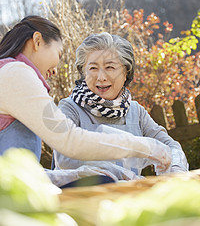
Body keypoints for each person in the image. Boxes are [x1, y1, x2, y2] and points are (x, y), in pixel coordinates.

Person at [0, 16, 173, 187]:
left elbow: (18, 174)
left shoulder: (9, 73)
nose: (55, 70)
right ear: (37, 41)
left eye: (110, 67)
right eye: (59, 53)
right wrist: (146, 147)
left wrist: (77, 175)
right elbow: (70, 140)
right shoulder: (15, 73)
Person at [53, 32, 188, 182]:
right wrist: (118, 175)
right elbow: (65, 159)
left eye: (110, 67)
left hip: (127, 199)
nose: (101, 77)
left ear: (126, 73)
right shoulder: (70, 108)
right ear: (83, 72)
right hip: (80, 199)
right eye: (93, 68)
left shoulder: (136, 112)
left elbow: (170, 146)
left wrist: (176, 170)